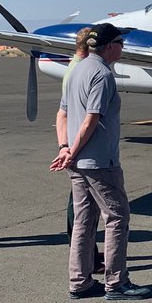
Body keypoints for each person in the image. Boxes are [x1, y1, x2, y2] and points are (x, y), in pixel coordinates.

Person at [50, 23, 151, 301]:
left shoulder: (77, 69)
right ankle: (116, 283)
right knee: (117, 216)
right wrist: (73, 149)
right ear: (109, 46)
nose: (123, 47)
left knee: (84, 220)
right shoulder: (102, 75)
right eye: (120, 42)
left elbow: (63, 113)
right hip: (98, 161)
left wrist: (65, 148)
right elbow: (91, 119)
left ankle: (79, 281)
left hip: (78, 162)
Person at [60, 27, 102, 273]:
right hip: (82, 148)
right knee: (82, 208)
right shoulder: (81, 70)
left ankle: (86, 256)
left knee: (81, 206)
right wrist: (69, 149)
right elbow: (84, 116)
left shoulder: (75, 68)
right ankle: (87, 258)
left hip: (76, 146)